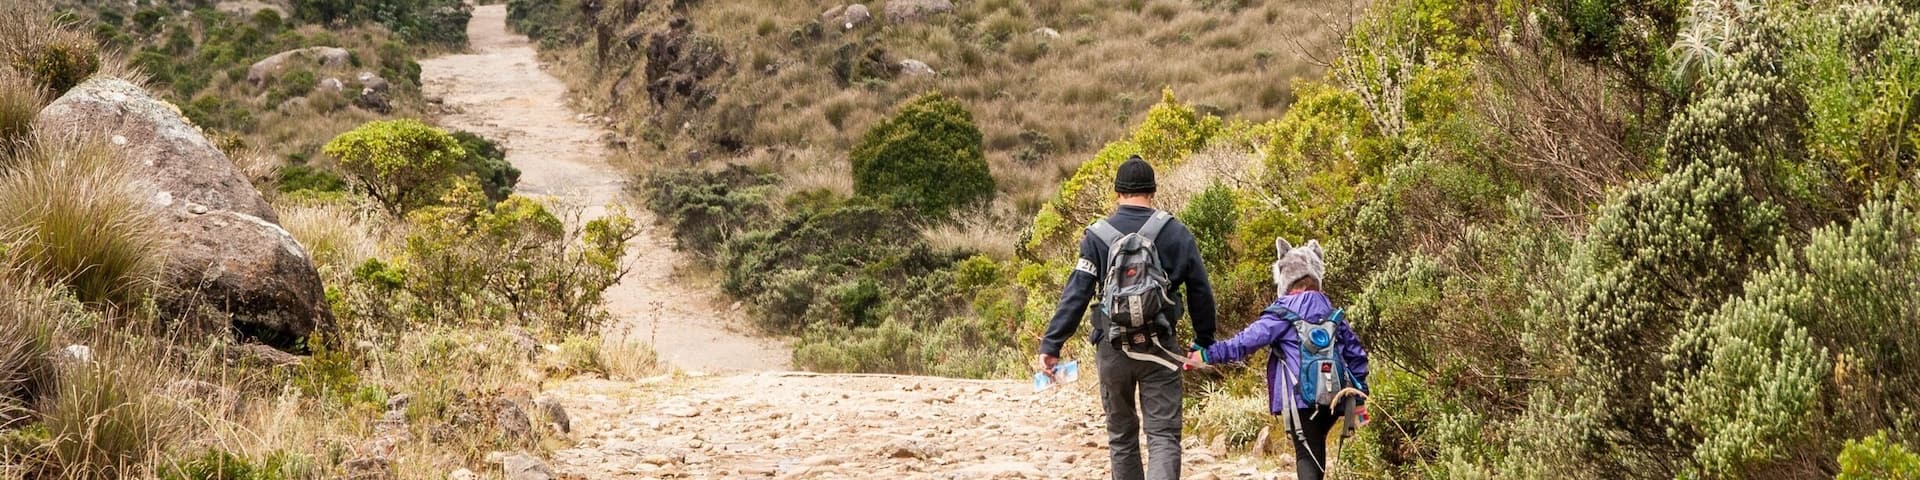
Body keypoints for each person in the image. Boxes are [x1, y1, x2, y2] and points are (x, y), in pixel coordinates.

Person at [1037, 155, 1217, 480]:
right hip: (1161, 347)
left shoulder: (1096, 236)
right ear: (1152, 191)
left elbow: (1077, 292)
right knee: (1162, 435)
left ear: (1117, 193)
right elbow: (1201, 290)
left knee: (1121, 437)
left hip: (1112, 347)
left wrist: (1052, 344)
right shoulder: (1176, 232)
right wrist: (1203, 341)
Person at [1185, 238, 1370, 480]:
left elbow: (1244, 343)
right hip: (1336, 398)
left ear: (1285, 277)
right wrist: (1359, 398)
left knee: (1307, 455)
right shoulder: (1332, 313)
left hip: (1301, 400)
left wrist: (1207, 354)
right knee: (1316, 449)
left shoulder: (1282, 313)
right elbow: (1356, 355)